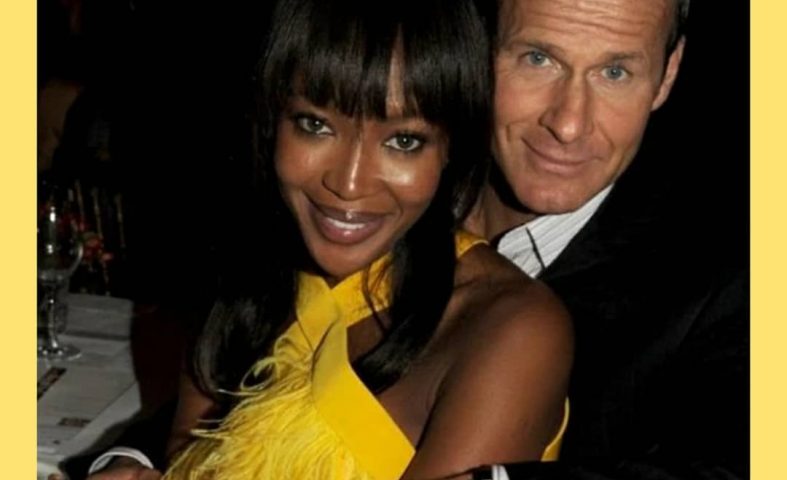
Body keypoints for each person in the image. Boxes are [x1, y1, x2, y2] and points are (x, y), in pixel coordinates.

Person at [86, 0, 572, 478]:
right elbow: (190, 460)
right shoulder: (247, 270)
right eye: (315, 125)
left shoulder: (510, 330)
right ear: (272, 120)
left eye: (404, 141)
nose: (349, 183)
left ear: (451, 147)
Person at [463, 0, 748, 478]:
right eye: (539, 59)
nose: (569, 124)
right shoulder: (383, 183)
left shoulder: (728, 285)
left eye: (614, 73)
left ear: (668, 74)